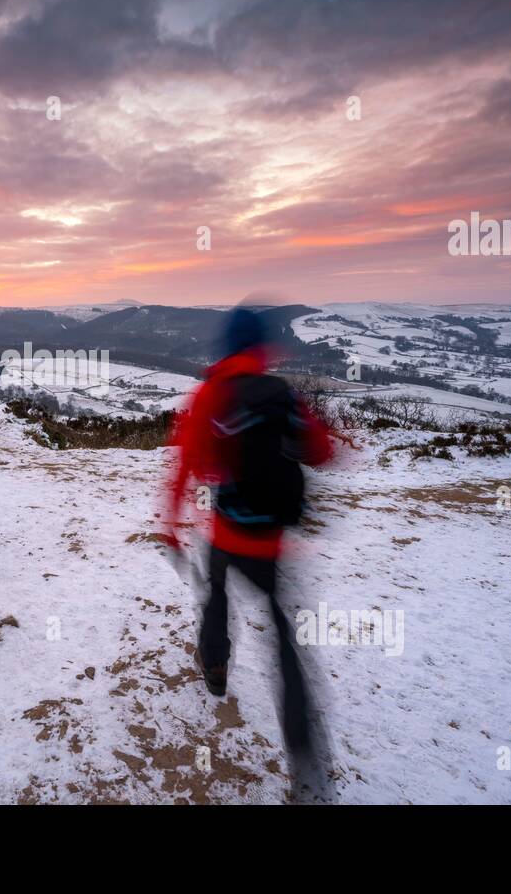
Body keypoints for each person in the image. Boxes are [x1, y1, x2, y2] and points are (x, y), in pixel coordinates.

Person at [162, 305, 334, 782]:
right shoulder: (279, 394)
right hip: (272, 539)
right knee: (283, 634)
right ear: (261, 349)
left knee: (215, 596)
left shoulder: (210, 395)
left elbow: (185, 464)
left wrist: (171, 522)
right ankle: (303, 745)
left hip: (226, 530)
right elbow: (321, 451)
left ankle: (215, 668)